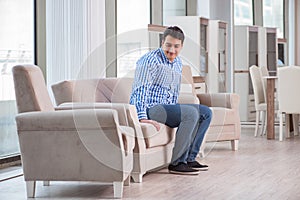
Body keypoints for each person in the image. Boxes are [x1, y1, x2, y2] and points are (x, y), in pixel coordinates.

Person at [129, 26, 212, 175]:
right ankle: (177, 163)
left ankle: (189, 158)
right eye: (168, 45)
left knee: (206, 112)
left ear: (181, 46)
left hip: (167, 107)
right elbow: (139, 90)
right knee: (190, 113)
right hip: (152, 108)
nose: (172, 50)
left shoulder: (177, 63)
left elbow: (173, 92)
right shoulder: (149, 60)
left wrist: (176, 111)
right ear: (162, 42)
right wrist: (141, 117)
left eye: (176, 46)